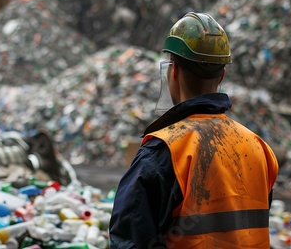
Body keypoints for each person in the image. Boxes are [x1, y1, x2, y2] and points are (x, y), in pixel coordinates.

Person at [109, 12, 279, 248]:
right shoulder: (259, 148)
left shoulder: (164, 152)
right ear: (222, 74)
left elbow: (129, 240)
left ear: (173, 71)